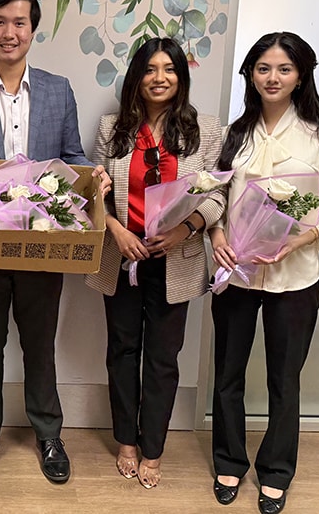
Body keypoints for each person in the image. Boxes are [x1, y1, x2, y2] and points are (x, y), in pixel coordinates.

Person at [0, 0, 111, 484]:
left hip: (43, 240)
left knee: (40, 342)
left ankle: (49, 432)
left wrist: (91, 173)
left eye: (19, 22)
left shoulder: (58, 89)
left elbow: (72, 155)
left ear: (33, 29)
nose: (9, 32)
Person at [209, 32, 319, 513]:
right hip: (237, 274)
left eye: (284, 69)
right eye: (263, 68)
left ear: (301, 75)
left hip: (294, 278)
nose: (272, 78)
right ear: (250, 74)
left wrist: (301, 237)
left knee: (284, 379)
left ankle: (276, 471)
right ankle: (229, 460)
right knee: (227, 374)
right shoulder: (238, 134)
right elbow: (217, 199)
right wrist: (215, 236)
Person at [85, 38, 224, 488]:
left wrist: (186, 230)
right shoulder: (113, 128)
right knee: (122, 351)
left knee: (163, 358)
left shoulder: (206, 129)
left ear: (181, 76)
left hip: (176, 258)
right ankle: (125, 439)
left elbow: (219, 193)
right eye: (149, 69)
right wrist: (117, 230)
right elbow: (92, 191)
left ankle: (154, 448)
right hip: (123, 254)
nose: (159, 77)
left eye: (169, 69)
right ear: (136, 77)